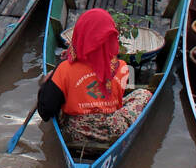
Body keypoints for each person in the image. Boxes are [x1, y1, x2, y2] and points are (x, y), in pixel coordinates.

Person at [36, 8, 151, 148]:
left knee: (58, 97)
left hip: (75, 133)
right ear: (111, 38)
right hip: (113, 132)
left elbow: (45, 112)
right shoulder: (121, 67)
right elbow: (119, 100)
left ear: (80, 35)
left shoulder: (64, 69)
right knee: (143, 94)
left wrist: (47, 84)